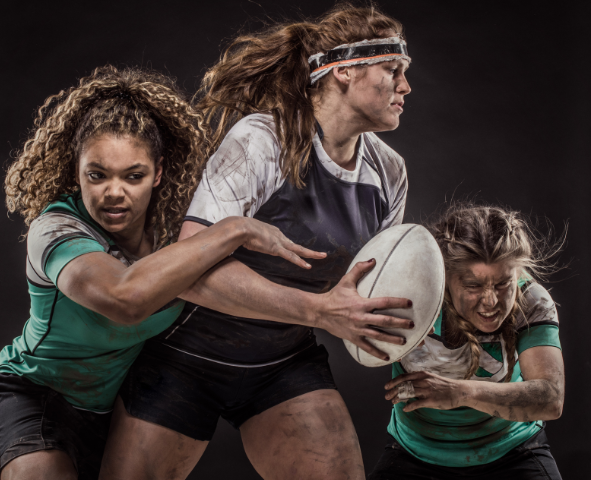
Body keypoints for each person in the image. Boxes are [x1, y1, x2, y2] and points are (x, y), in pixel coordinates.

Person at [102, 4, 414, 479]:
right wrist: (319, 311)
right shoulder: (262, 140)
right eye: (393, 70)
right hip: (187, 357)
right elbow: (191, 274)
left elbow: (376, 290)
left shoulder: (388, 171)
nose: (405, 87)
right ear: (345, 70)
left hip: (282, 364)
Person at [0, 65, 328, 480]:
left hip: (116, 404)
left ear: (158, 173)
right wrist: (234, 228)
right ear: (76, 171)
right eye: (97, 175)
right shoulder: (55, 229)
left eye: (134, 176)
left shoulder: (178, 233)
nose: (114, 191)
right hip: (39, 392)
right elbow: (124, 299)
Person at [369, 204, 565, 479]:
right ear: (445, 276)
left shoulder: (531, 299)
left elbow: (551, 398)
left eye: (502, 284)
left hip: (512, 450)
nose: (491, 301)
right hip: (415, 452)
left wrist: (460, 393)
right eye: (473, 286)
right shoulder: (412, 295)